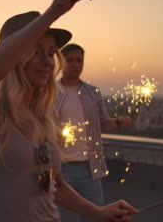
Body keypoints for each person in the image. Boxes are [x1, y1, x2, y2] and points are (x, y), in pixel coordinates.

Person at [0, 0, 138, 222]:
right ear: (15, 55)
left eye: (51, 53)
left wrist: (98, 212)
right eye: (36, 52)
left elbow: (54, 187)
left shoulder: (41, 117)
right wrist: (54, 10)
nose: (48, 61)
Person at [55, 43, 132, 222]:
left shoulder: (92, 92)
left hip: (89, 169)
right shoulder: (50, 91)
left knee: (96, 218)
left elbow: (103, 124)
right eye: (70, 60)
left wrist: (118, 122)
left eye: (79, 60)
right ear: (61, 62)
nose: (75, 64)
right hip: (59, 169)